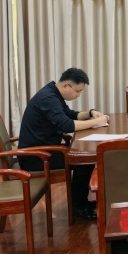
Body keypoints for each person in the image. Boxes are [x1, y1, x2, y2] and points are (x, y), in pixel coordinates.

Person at [18, 68, 109, 221]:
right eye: (78, 91)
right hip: (36, 157)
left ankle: (80, 202)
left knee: (83, 158)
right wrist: (97, 122)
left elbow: (70, 115)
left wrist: (90, 113)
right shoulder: (48, 98)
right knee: (83, 161)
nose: (78, 95)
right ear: (66, 86)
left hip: (44, 151)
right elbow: (67, 125)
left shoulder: (53, 93)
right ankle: (78, 207)